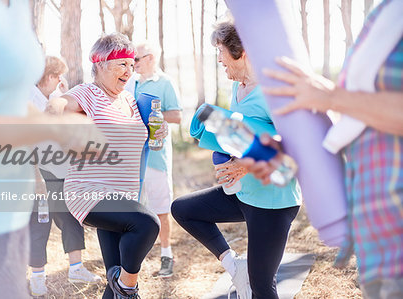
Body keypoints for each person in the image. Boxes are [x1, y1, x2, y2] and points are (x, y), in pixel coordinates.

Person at [241, 1, 403, 298]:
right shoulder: (384, 15)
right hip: (378, 252)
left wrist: (332, 95)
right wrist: (296, 153)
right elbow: (366, 129)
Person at [0, 1, 103, 298]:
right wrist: (52, 129)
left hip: (8, 220)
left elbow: (8, 101)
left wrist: (69, 129)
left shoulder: (16, 8)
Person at [171, 21, 302, 299]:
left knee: (262, 287)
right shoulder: (238, 88)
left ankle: (249, 275)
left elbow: (296, 144)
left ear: (241, 52)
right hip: (244, 194)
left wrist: (243, 165)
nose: (218, 58)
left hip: (273, 202)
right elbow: (244, 135)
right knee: (183, 209)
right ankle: (235, 266)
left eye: (220, 51)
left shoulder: (272, 91)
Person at [51, 33, 168, 299]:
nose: (130, 70)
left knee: (114, 281)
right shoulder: (88, 93)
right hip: (89, 192)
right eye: (122, 65)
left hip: (123, 196)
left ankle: (121, 288)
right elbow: (59, 104)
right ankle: (129, 286)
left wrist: (156, 133)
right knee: (148, 224)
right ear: (101, 64)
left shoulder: (128, 100)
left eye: (131, 64)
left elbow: (136, 136)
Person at [28, 56, 101, 296]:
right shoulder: (28, 99)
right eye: (58, 76)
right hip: (35, 170)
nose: (61, 80)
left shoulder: (53, 97)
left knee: (70, 215)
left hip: (58, 168)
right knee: (40, 222)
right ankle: (37, 277)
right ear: (49, 76)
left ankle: (76, 267)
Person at [127, 42, 182, 277]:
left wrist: (153, 114)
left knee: (161, 207)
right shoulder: (129, 82)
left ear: (150, 58)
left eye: (136, 60)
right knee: (132, 208)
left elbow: (177, 116)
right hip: (132, 157)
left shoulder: (166, 82)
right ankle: (132, 256)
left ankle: (166, 255)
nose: (133, 64)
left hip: (157, 156)